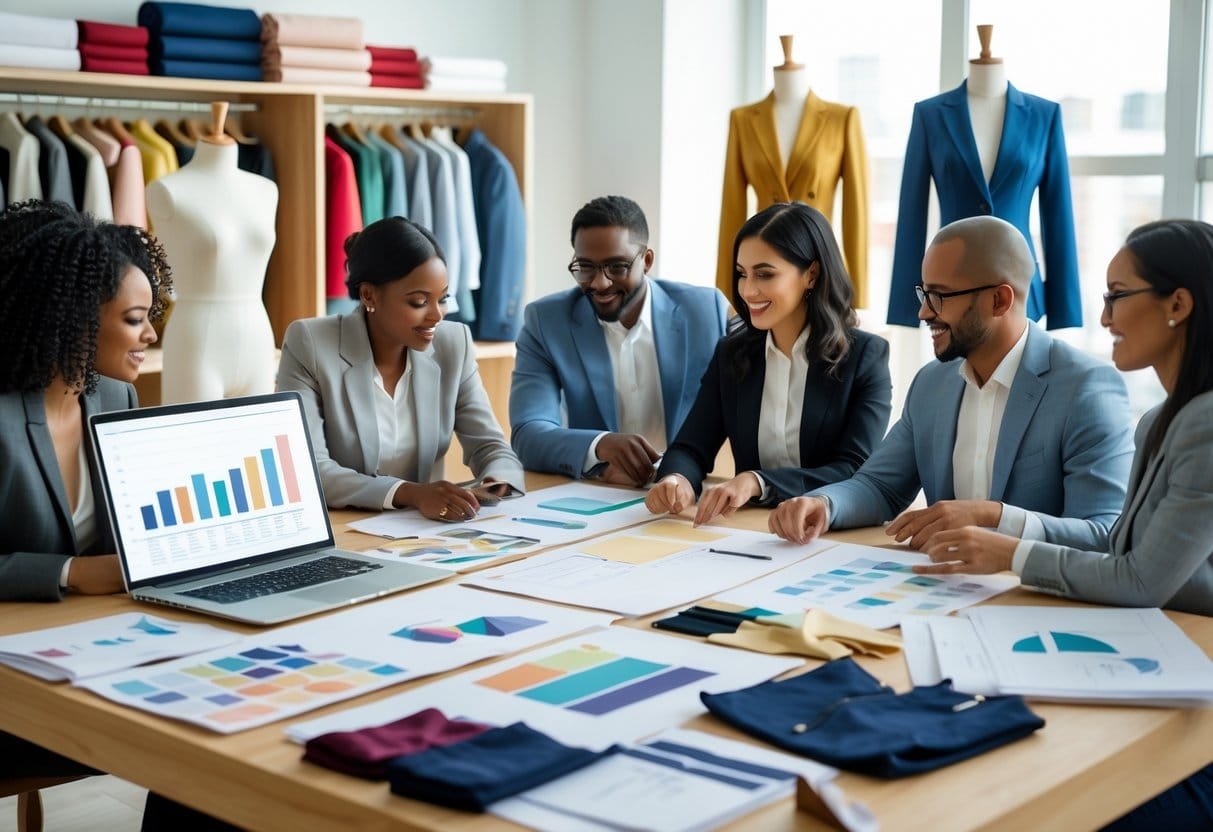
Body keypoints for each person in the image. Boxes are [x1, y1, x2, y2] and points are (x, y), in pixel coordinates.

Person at [912, 220, 1213, 832]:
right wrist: (1008, 542)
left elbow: (1140, 580)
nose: (1103, 318)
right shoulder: (1160, 421)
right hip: (1160, 652)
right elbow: (1116, 541)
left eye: (1117, 295)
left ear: (1178, 304)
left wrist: (1012, 554)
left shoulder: (1204, 424)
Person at [0, 200, 236, 831]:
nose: (152, 336)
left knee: (220, 726)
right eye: (136, 319)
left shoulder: (114, 395)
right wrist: (73, 573)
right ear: (75, 317)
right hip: (16, 681)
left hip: (97, 645)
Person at [769, 215, 1134, 549]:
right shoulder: (932, 383)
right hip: (944, 591)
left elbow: (1104, 532)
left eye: (939, 296)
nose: (924, 311)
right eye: (923, 293)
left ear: (999, 300)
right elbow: (879, 486)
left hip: (1033, 600)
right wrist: (825, 504)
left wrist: (993, 517)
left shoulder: (1086, 388)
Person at [646, 203, 891, 526]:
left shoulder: (865, 357)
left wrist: (757, 481)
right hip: (748, 530)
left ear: (811, 275)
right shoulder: (732, 354)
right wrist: (676, 480)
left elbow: (854, 469)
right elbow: (691, 447)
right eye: (742, 274)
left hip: (830, 531)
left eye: (765, 274)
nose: (748, 290)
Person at [276, 216, 523, 520]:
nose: (437, 316)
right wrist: (411, 493)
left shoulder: (453, 344)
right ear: (369, 295)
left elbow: (490, 446)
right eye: (419, 302)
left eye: (443, 299)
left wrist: (495, 483)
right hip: (343, 526)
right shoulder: (310, 343)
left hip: (421, 531)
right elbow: (310, 469)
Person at [510, 195, 729, 486]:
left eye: (617, 267)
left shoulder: (706, 311)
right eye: (585, 267)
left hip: (686, 493)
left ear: (647, 261)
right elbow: (529, 433)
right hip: (601, 491)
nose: (600, 283)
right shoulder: (546, 321)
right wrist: (599, 445)